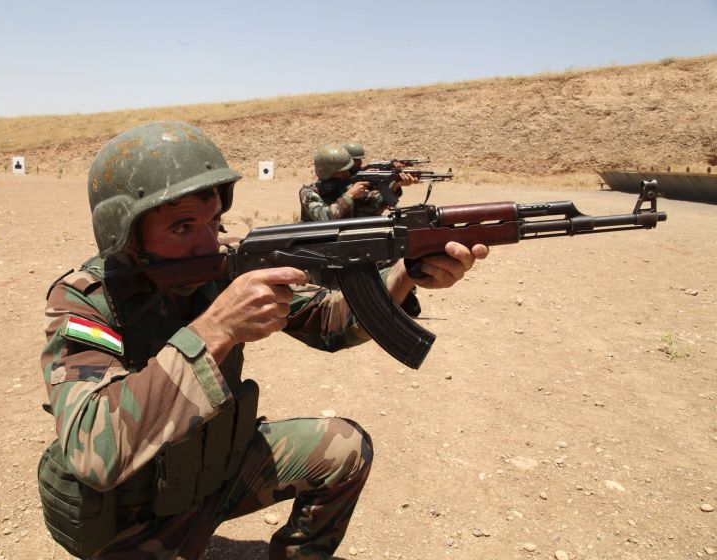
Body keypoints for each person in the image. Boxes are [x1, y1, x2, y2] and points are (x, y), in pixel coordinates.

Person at [38, 121, 489, 560]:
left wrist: (404, 273)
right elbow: (92, 450)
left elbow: (328, 321)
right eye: (182, 227)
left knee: (343, 450)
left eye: (214, 221)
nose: (208, 243)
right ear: (124, 233)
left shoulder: (226, 263)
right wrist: (214, 329)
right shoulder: (86, 300)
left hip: (216, 468)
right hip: (135, 517)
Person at [299, 144, 417, 222]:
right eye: (342, 172)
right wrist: (350, 195)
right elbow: (324, 217)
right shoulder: (309, 193)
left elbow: (375, 206)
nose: (347, 174)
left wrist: (395, 185)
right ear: (328, 172)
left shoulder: (347, 187)